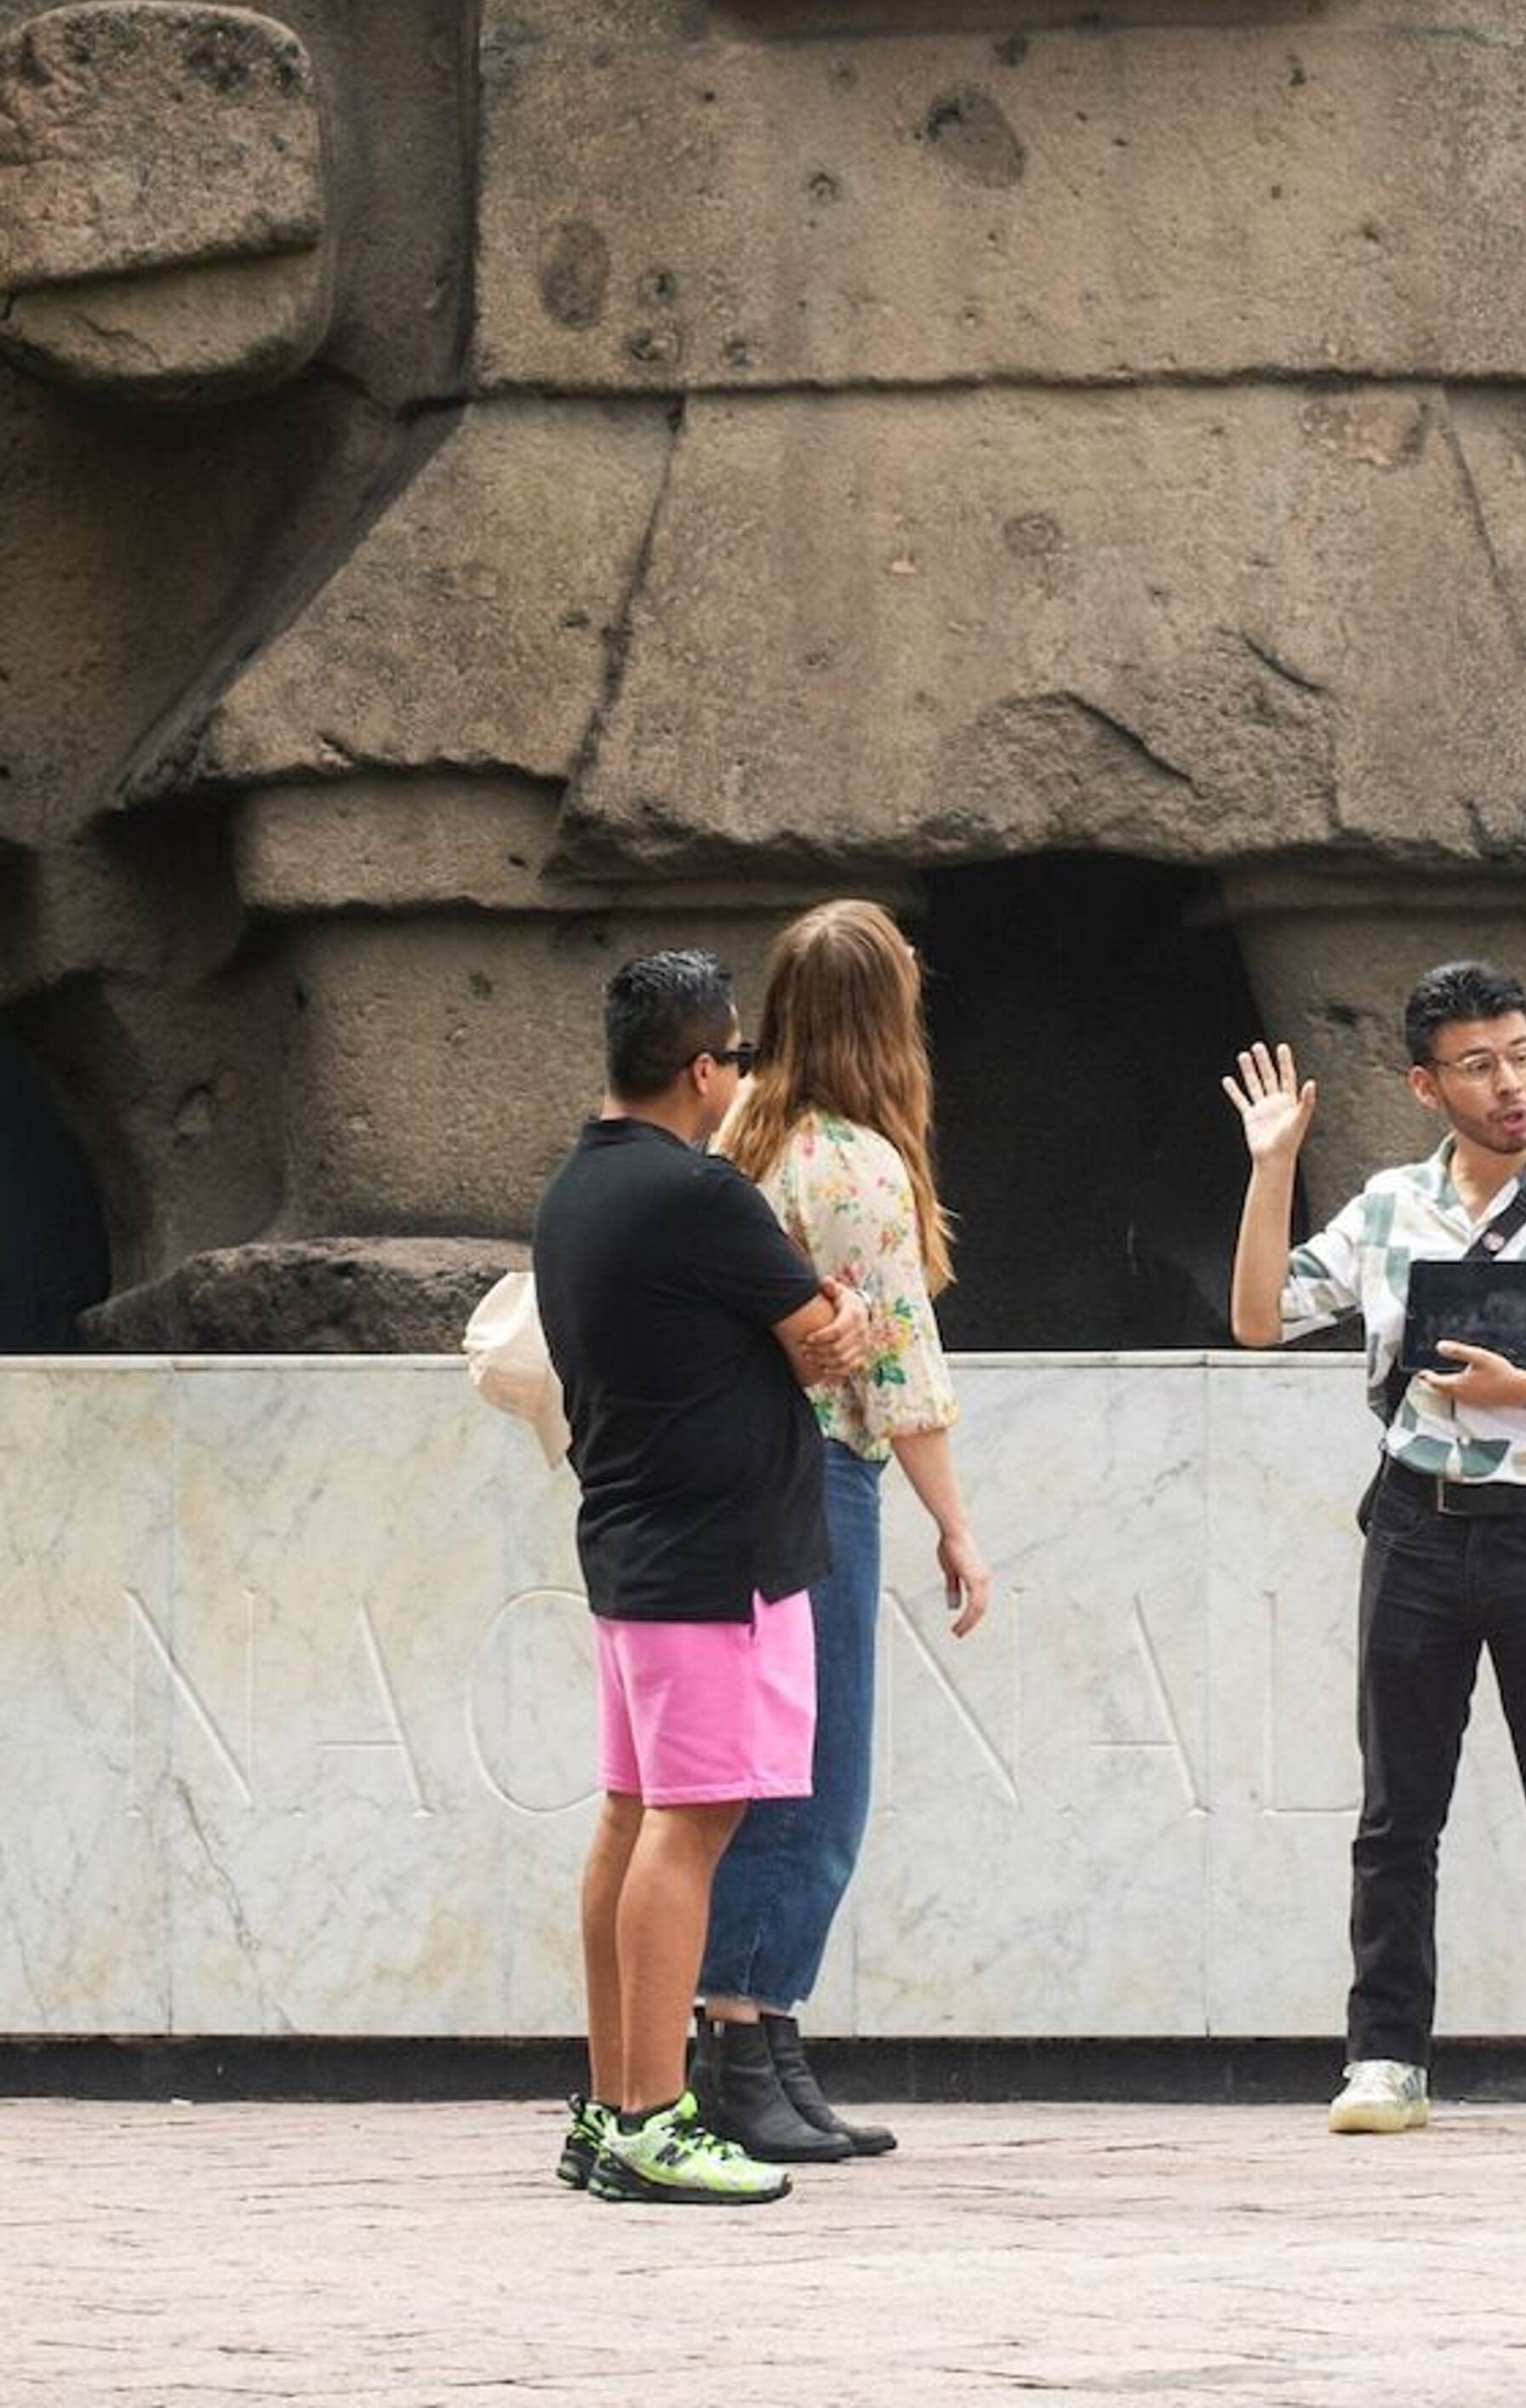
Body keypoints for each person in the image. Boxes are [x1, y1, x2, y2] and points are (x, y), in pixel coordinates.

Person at [1225, 957, 1526, 2143]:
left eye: (1521, 1055)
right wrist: (1273, 1166)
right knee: (1397, 1816)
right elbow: (1258, 1314)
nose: (1510, 1083)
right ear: (1425, 1086)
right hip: (1417, 1527)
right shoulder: (1390, 1206)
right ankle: (1386, 2056)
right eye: (1478, 1065)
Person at [529, 945, 871, 2207]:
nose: (739, 1078)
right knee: (693, 1825)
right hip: (719, 1560)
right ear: (701, 1068)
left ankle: (609, 2107)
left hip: (632, 1547)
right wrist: (844, 1323)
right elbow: (825, 1339)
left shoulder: (576, 1188)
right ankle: (650, 2117)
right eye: (735, 1057)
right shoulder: (702, 1194)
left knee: (632, 1816)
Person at [693, 898, 994, 2166]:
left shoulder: (738, 1136)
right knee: (817, 1780)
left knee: (764, 1766)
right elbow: (897, 1367)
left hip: (740, 1475)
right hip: (822, 1477)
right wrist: (957, 1526)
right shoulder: (858, 1165)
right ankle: (740, 2045)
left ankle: (765, 2051)